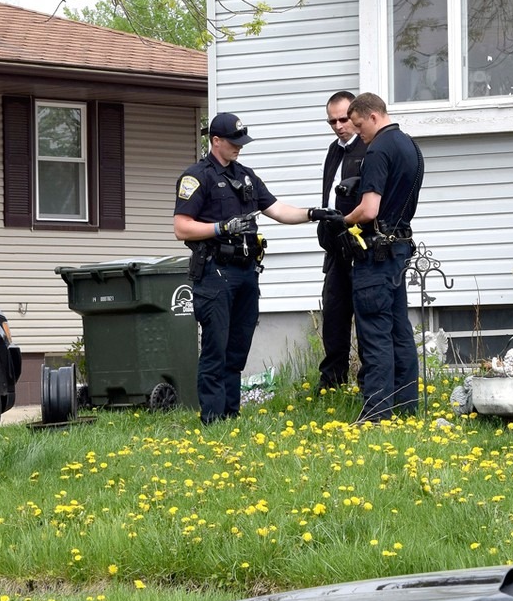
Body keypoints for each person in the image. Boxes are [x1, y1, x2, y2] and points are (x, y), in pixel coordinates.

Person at [173, 112, 341, 424]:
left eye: (241, 142)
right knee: (216, 347)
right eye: (234, 142)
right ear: (216, 141)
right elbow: (182, 228)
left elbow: (276, 209)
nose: (239, 147)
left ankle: (230, 416)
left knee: (237, 348)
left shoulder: (247, 176)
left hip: (246, 271)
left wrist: (313, 213)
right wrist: (221, 228)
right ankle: (212, 419)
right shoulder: (197, 177)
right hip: (215, 272)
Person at [342, 92, 425, 422]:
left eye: (359, 125)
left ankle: (376, 415)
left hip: (376, 253)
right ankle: (406, 410)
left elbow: (370, 208)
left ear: (373, 116)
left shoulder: (377, 149)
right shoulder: (410, 146)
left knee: (375, 334)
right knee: (400, 333)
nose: (358, 133)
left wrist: (342, 221)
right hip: (401, 246)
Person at [316, 91, 366, 392]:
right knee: (334, 315)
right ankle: (332, 381)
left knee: (364, 317)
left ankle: (367, 383)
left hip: (360, 246)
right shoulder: (334, 151)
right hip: (335, 248)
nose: (338, 125)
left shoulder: (369, 149)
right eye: (332, 121)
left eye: (343, 119)